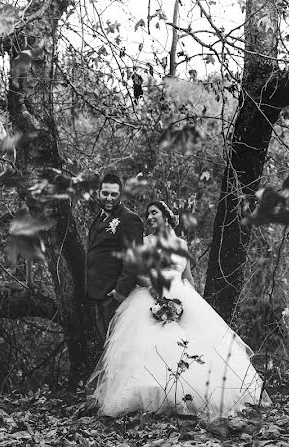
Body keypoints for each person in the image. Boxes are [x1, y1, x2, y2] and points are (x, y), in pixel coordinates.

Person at [87, 200, 271, 420]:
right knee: (150, 344)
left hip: (181, 296)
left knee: (196, 345)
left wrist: (193, 305)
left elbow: (188, 278)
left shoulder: (181, 245)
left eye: (154, 212)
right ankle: (150, 396)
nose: (150, 217)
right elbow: (136, 273)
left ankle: (193, 394)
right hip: (151, 293)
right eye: (148, 214)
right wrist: (154, 289)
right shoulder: (144, 242)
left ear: (166, 215)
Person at [85, 173, 144, 342]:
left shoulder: (129, 219)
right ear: (99, 193)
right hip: (97, 294)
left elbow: (133, 260)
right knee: (106, 346)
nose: (109, 198)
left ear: (121, 195)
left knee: (117, 345)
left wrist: (119, 292)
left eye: (113, 194)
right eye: (105, 193)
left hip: (114, 297)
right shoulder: (99, 218)